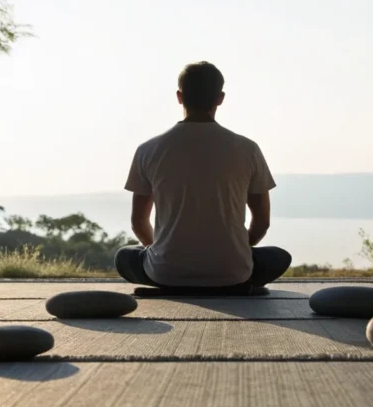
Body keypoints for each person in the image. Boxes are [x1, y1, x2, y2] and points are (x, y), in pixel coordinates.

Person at [115, 61, 292, 291]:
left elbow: (139, 223)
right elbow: (262, 222)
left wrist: (159, 254)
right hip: (233, 274)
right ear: (220, 98)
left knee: (124, 256)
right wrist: (236, 252)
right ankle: (235, 282)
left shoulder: (148, 150)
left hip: (166, 273)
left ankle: (173, 282)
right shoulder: (248, 149)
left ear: (179, 96)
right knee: (278, 257)